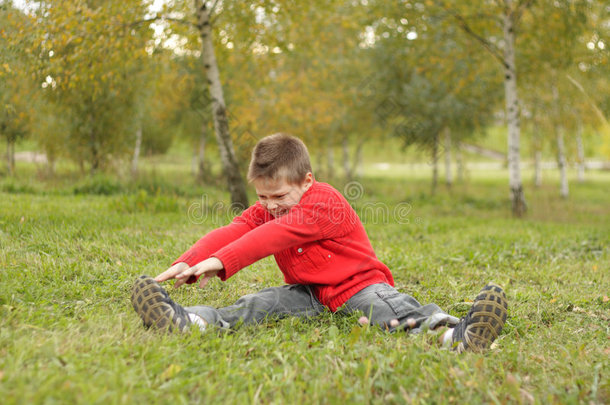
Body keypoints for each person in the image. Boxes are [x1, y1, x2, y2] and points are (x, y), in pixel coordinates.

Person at [131, 133, 507, 352]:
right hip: (310, 293)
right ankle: (188, 321)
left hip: (358, 288)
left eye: (278, 196)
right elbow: (238, 228)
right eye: (262, 197)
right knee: (260, 303)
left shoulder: (324, 201)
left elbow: (274, 236)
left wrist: (222, 262)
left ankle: (459, 334)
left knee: (390, 310)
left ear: (306, 182)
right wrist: (191, 260)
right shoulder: (269, 208)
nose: (270, 207)